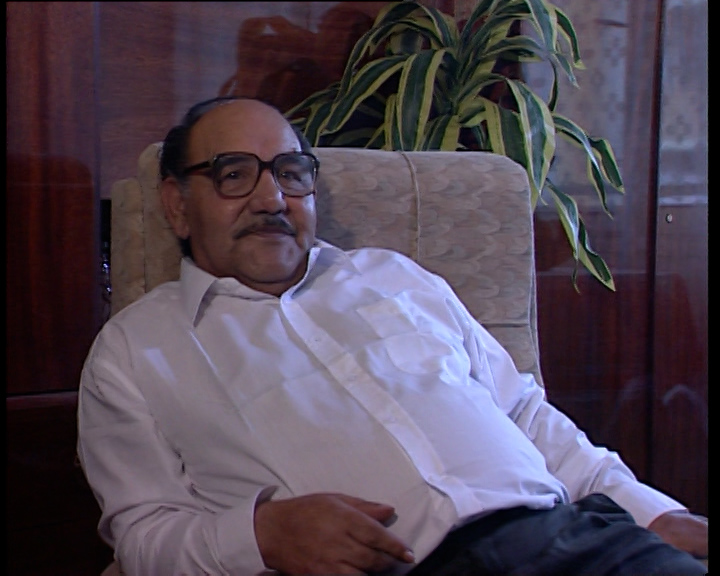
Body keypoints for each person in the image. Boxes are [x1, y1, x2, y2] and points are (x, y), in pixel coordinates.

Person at [76, 96, 708, 576]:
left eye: (291, 173)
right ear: (177, 204)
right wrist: (261, 536)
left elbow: (523, 413)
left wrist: (651, 510)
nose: (272, 198)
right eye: (233, 174)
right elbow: (143, 536)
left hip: (577, 536)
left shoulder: (394, 277)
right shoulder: (134, 351)